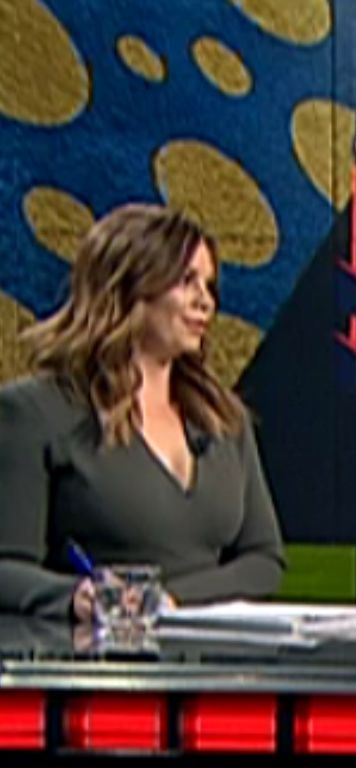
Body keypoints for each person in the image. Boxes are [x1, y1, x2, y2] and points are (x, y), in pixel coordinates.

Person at [0, 203, 285, 622]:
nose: (205, 302)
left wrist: (166, 600)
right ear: (128, 287)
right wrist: (76, 597)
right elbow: (7, 567)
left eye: (208, 285)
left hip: (211, 652)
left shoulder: (222, 418)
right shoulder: (35, 412)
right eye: (186, 281)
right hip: (95, 651)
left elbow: (264, 560)